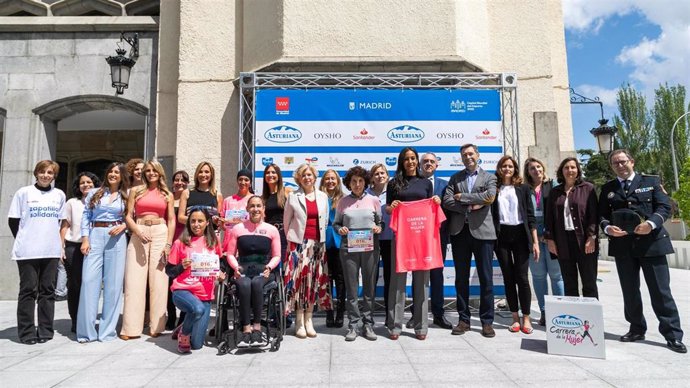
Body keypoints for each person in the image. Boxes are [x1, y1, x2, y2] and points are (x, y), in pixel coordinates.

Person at [598, 149, 685, 353]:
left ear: (632, 162)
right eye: (615, 163)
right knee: (630, 291)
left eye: (622, 161)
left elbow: (664, 207)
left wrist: (651, 224)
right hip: (623, 246)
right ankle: (636, 328)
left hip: (652, 244)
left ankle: (673, 335)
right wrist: (608, 228)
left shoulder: (651, 181)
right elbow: (602, 215)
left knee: (661, 292)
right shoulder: (608, 188)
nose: (619, 166)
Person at [442, 143, 497, 338]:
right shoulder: (455, 178)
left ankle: (487, 322)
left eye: (470, 153)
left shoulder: (490, 177)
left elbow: (489, 196)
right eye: (464, 155)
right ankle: (464, 319)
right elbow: (447, 201)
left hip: (483, 233)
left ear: (478, 155)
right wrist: (470, 205)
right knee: (461, 279)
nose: (468, 157)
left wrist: (462, 197)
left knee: (486, 279)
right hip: (460, 233)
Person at [8, 160, 66, 345]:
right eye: (42, 172)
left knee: (47, 291)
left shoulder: (59, 195)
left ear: (54, 176)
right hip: (27, 252)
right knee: (28, 290)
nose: (46, 175)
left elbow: (60, 222)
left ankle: (45, 330)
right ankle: (26, 332)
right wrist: (27, 238)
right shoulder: (23, 193)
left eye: (50, 173)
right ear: (36, 173)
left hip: (50, 250)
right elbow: (14, 221)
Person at [386, 147, 440, 341]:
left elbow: (429, 209)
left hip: (421, 239)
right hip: (400, 238)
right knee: (397, 283)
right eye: (406, 159)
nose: (410, 162)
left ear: (417, 161)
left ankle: (421, 327)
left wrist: (435, 200)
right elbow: (387, 208)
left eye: (413, 158)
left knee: (422, 283)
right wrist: (390, 207)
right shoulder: (393, 184)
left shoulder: (426, 183)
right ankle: (395, 326)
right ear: (401, 162)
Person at [120, 160, 176, 340]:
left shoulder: (167, 194)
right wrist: (136, 230)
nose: (151, 173)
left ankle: (156, 326)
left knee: (159, 281)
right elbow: (128, 216)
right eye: (148, 170)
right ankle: (130, 328)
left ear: (160, 173)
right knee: (133, 282)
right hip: (139, 231)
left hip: (160, 231)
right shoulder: (136, 191)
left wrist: (168, 244)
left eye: (154, 170)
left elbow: (172, 220)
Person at [77, 162, 129, 343]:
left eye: (117, 172)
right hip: (95, 234)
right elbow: (85, 215)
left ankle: (107, 332)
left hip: (117, 237)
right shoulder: (94, 193)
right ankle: (86, 332)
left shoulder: (127, 195)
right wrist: (85, 238)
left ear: (122, 176)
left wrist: (123, 226)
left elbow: (131, 217)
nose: (113, 174)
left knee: (113, 285)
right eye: (111, 171)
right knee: (89, 280)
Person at [225, 196, 282, 347]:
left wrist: (269, 267)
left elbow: (277, 255)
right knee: (244, 285)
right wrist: (235, 267)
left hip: (263, 270)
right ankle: (245, 328)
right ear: (247, 209)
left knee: (257, 283)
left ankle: (256, 326)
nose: (255, 209)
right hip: (243, 268)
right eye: (252, 206)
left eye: (259, 206)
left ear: (263, 209)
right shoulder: (238, 229)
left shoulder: (272, 230)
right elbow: (230, 253)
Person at [166, 207, 225, 353]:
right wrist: (181, 266)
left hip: (204, 295)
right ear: (188, 223)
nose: (196, 224)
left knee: (197, 344)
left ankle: (183, 326)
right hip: (183, 290)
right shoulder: (180, 243)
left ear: (207, 223)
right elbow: (169, 270)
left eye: (200, 221)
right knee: (196, 309)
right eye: (193, 221)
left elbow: (220, 263)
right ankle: (184, 334)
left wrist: (221, 273)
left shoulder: (213, 241)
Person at [283, 163, 332, 338]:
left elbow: (325, 222)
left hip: (318, 246)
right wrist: (293, 244)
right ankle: (299, 320)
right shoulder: (293, 197)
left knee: (312, 283)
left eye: (310, 175)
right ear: (299, 178)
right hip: (298, 246)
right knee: (299, 284)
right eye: (304, 175)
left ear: (314, 177)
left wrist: (319, 241)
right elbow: (287, 222)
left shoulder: (323, 196)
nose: (307, 178)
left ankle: (309, 319)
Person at [333, 166, 382, 341]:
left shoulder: (374, 200)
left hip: (370, 249)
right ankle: (353, 325)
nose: (357, 184)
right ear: (349, 183)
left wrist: (378, 228)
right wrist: (341, 229)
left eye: (361, 181)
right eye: (354, 181)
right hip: (349, 250)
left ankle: (368, 324)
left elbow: (380, 223)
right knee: (352, 289)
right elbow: (336, 224)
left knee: (369, 288)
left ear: (366, 182)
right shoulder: (343, 202)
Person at [491, 155, 538, 334]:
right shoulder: (494, 188)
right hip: (501, 235)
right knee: (508, 278)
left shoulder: (523, 188)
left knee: (523, 278)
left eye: (510, 166)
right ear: (499, 168)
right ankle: (515, 318)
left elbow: (530, 216)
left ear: (515, 168)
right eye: (504, 166)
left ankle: (526, 317)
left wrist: (534, 241)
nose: (507, 169)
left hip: (520, 234)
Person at [543, 157, 598, 298]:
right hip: (563, 241)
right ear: (562, 171)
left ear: (578, 170)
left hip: (585, 241)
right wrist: (550, 240)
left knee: (589, 281)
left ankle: (591, 318)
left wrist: (592, 236)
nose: (570, 170)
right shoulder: (554, 192)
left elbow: (594, 215)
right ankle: (575, 317)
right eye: (566, 167)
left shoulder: (588, 188)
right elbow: (549, 219)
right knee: (569, 282)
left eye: (573, 167)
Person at [523, 157, 563, 326]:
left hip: (552, 237)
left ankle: (561, 311)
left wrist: (549, 235)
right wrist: (535, 238)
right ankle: (545, 312)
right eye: (532, 168)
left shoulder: (553, 185)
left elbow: (559, 212)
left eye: (538, 166)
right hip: (533, 238)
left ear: (543, 168)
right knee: (538, 277)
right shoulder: (524, 189)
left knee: (556, 276)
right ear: (528, 172)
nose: (536, 170)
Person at [415, 152, 452, 329]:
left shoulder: (445, 185)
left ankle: (438, 314)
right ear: (420, 165)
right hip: (416, 237)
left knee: (437, 276)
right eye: (425, 161)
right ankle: (416, 314)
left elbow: (453, 208)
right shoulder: (412, 184)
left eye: (431, 162)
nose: (428, 164)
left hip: (438, 237)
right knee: (417, 277)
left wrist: (442, 203)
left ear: (437, 165)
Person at [60, 171, 100, 333]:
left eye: (89, 182)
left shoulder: (100, 202)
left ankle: (89, 319)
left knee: (91, 284)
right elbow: (65, 225)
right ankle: (75, 320)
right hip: (73, 247)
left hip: (94, 247)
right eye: (83, 182)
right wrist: (61, 247)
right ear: (78, 186)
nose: (86, 185)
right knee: (75, 284)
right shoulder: (72, 203)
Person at [366, 163, 393, 323]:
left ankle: (390, 317)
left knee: (391, 279)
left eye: (383, 173)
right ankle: (368, 317)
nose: (380, 176)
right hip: (371, 240)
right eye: (376, 173)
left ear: (387, 175)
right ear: (372, 177)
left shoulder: (394, 192)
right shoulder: (365, 194)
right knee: (371, 278)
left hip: (390, 239)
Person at [319, 169, 345, 328]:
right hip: (322, 242)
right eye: (327, 179)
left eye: (333, 179)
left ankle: (341, 312)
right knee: (326, 279)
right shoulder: (318, 198)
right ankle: (329, 313)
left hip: (340, 241)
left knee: (341, 280)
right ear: (323, 181)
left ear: (337, 181)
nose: (330, 181)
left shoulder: (343, 199)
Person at [167, 170, 190, 330]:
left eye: (183, 180)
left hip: (184, 244)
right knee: (169, 281)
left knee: (183, 282)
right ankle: (170, 316)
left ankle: (182, 317)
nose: (179, 182)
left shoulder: (188, 199)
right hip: (169, 242)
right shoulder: (167, 198)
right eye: (176, 179)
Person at [177, 161, 224, 228]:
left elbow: (220, 220)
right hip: (192, 235)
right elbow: (180, 218)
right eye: (200, 172)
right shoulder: (187, 193)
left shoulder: (217, 195)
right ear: (197, 174)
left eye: (206, 172)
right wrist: (198, 221)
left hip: (211, 235)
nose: (203, 175)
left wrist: (218, 221)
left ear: (211, 175)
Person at [261, 163, 292, 261]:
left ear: (278, 176)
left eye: (273, 172)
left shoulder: (287, 192)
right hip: (268, 234)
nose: (270, 175)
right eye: (268, 173)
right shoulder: (262, 198)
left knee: (285, 264)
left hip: (284, 233)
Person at [221, 169, 253, 252]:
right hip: (229, 243)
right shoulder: (227, 200)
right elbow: (223, 226)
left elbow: (258, 222)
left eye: (246, 180)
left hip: (247, 241)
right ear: (237, 181)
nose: (243, 182)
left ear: (250, 183)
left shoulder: (254, 199)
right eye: (240, 179)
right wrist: (220, 222)